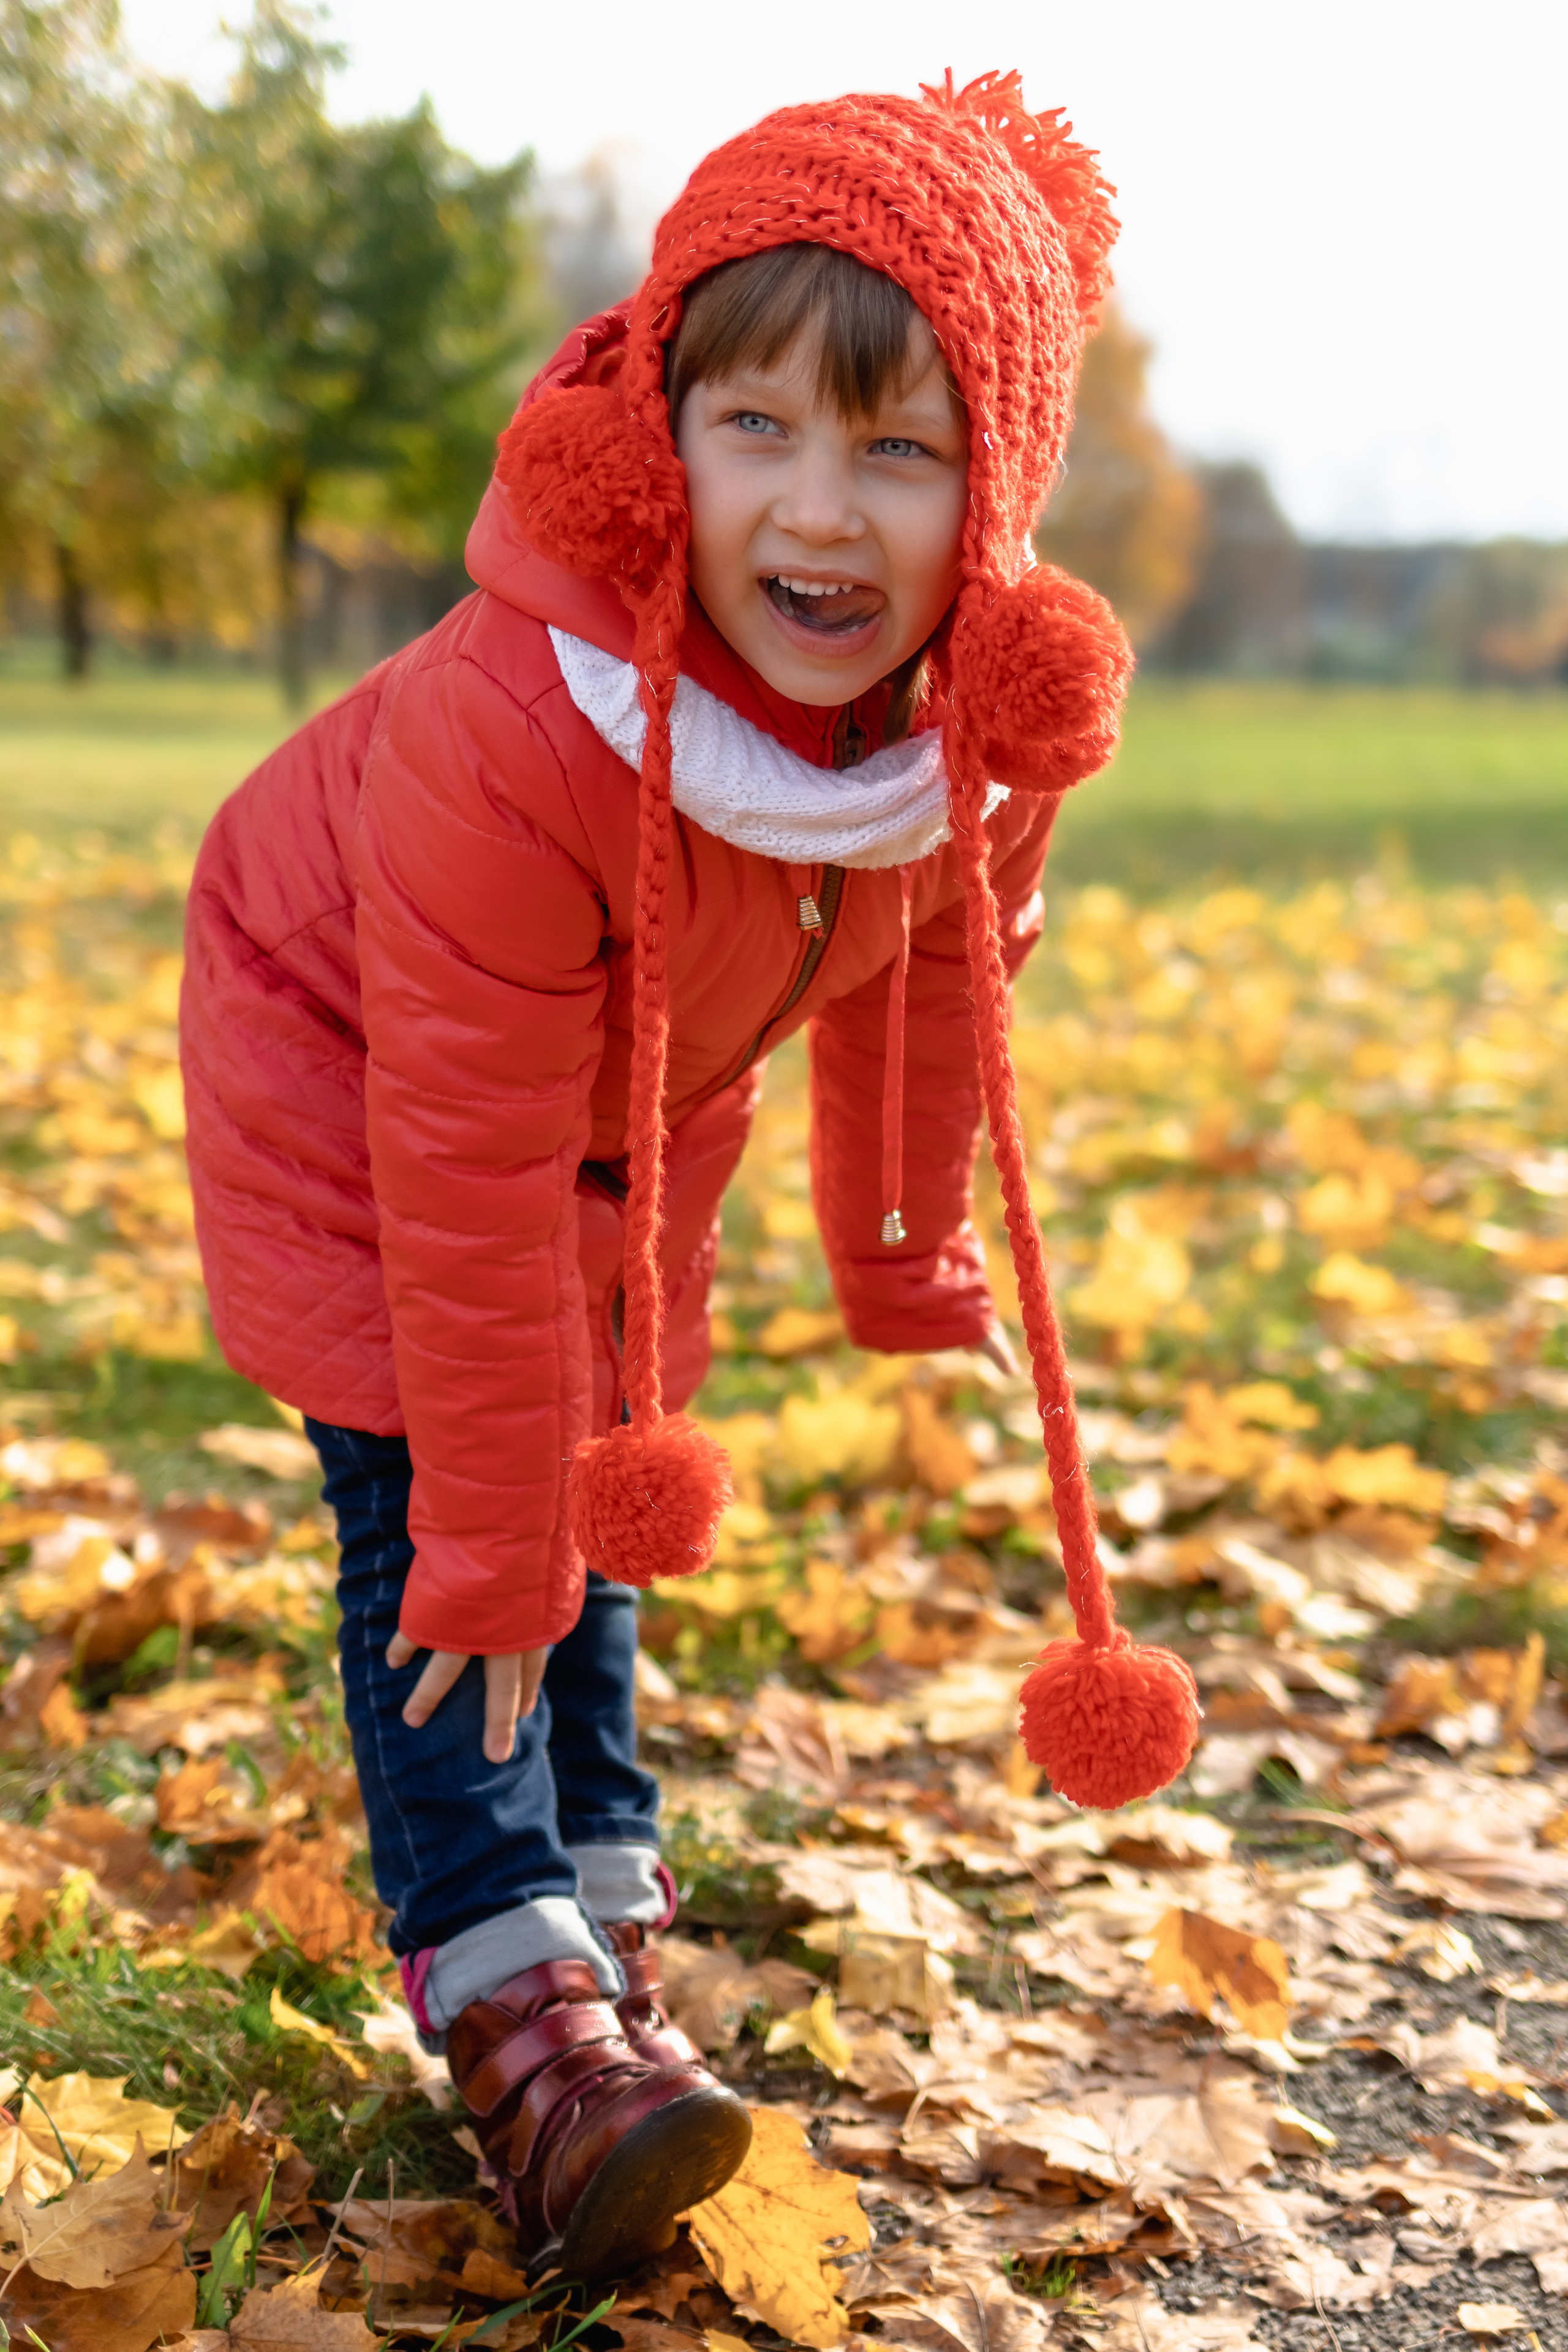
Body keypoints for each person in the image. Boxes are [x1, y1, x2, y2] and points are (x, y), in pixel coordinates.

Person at [181, 69, 1197, 2278]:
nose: (821, 516)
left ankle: (603, 1894)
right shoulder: (516, 728)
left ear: (997, 484)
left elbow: (944, 983)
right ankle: (514, 2003)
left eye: (902, 449)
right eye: (761, 429)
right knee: (461, 1512)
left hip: (636, 1096)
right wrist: (481, 1538)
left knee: (612, 1441)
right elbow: (456, 1171)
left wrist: (901, 1244)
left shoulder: (964, 720)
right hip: (361, 1062)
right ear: (665, 429)